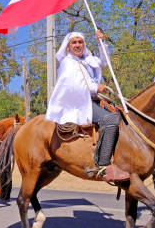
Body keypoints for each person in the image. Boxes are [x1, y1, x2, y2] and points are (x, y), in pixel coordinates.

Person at [45, 30, 126, 180]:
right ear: (68, 46)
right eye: (74, 42)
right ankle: (102, 165)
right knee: (110, 119)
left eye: (80, 42)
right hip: (77, 104)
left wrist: (100, 43)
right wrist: (95, 88)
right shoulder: (67, 63)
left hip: (91, 99)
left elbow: (103, 62)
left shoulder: (87, 60)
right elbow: (73, 86)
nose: (77, 45)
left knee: (123, 115)